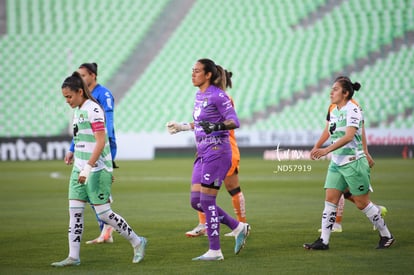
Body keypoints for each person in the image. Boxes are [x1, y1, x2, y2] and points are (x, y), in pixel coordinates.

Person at [51, 71, 147, 267]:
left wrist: (88, 167)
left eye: (69, 96)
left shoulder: (93, 109)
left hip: (96, 169)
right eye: (65, 97)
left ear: (80, 92)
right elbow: (80, 137)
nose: (67, 101)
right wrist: (72, 151)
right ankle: (73, 256)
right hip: (80, 168)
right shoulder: (78, 110)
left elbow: (101, 141)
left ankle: (138, 241)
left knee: (104, 214)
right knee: (75, 213)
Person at [168, 58, 250, 261]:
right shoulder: (199, 95)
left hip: (217, 151)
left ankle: (215, 251)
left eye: (197, 71)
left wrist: (217, 127)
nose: (193, 74)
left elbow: (234, 122)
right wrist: (183, 127)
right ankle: (238, 226)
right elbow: (202, 122)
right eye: (192, 70)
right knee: (196, 201)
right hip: (202, 152)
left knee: (207, 200)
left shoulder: (218, 96)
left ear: (208, 75)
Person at [304, 76, 394, 250]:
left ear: (345, 93)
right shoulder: (334, 109)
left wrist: (325, 150)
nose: (331, 92)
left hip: (353, 162)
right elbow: (328, 131)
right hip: (337, 163)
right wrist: (316, 147)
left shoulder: (353, 109)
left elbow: (349, 136)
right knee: (330, 200)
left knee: (362, 203)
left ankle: (387, 235)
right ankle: (324, 240)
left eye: (335, 89)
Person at [64, 63, 117, 244]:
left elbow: (106, 124)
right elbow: (80, 130)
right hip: (87, 149)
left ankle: (108, 229)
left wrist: (103, 148)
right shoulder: (80, 102)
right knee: (92, 193)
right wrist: (73, 148)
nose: (81, 78)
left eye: (83, 75)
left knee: (99, 189)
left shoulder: (103, 95)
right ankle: (105, 230)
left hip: (101, 146)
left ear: (93, 76)